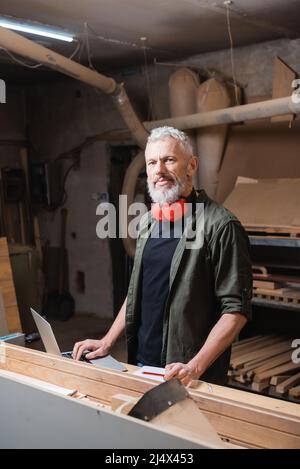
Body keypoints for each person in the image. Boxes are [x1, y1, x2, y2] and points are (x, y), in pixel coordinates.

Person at [73, 126, 252, 386]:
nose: (159, 170)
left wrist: (195, 367)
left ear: (191, 166)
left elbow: (235, 311)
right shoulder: (147, 224)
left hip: (186, 371)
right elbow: (137, 293)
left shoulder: (221, 226)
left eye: (169, 160)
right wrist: (107, 340)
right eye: (152, 162)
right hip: (142, 363)